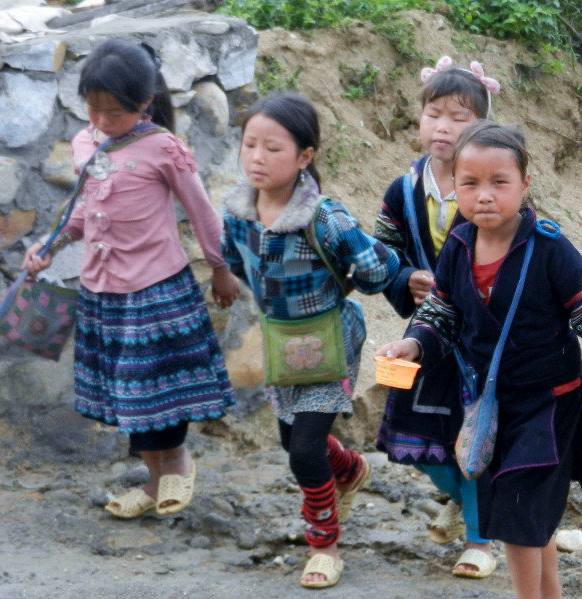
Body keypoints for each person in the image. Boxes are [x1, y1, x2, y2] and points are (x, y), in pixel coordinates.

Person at [376, 121, 582, 599]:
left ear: (524, 185)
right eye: (470, 183)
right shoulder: (458, 248)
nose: (484, 196)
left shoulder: (550, 248)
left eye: (499, 182)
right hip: (493, 403)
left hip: (551, 404)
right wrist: (412, 344)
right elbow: (441, 311)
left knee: (519, 514)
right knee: (528, 513)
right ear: (454, 187)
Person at [22, 40, 239, 519]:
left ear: (144, 103)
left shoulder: (164, 148)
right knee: (128, 390)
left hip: (154, 288)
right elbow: (85, 215)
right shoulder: (86, 144)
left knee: (155, 386)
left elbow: (202, 214)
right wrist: (49, 246)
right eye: (93, 108)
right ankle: (154, 479)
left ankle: (177, 461)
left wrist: (220, 267)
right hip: (103, 291)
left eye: (114, 112)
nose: (101, 121)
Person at [221, 92, 399, 589]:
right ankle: (351, 469)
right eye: (250, 144)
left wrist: (389, 275)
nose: (257, 157)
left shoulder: (323, 216)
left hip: (330, 340)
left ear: (305, 157)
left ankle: (325, 544)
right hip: (280, 343)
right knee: (293, 440)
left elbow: (373, 269)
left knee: (303, 451)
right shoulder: (237, 210)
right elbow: (232, 260)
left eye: (272, 148)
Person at [374, 56, 501, 578]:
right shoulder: (402, 191)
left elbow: (515, 255)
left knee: (477, 433)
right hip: (426, 331)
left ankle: (480, 540)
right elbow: (380, 256)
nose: (442, 127)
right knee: (418, 438)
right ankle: (458, 499)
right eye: (433, 113)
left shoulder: (489, 188)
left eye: (458, 117)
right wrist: (405, 279)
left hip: (481, 337)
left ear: (483, 127)